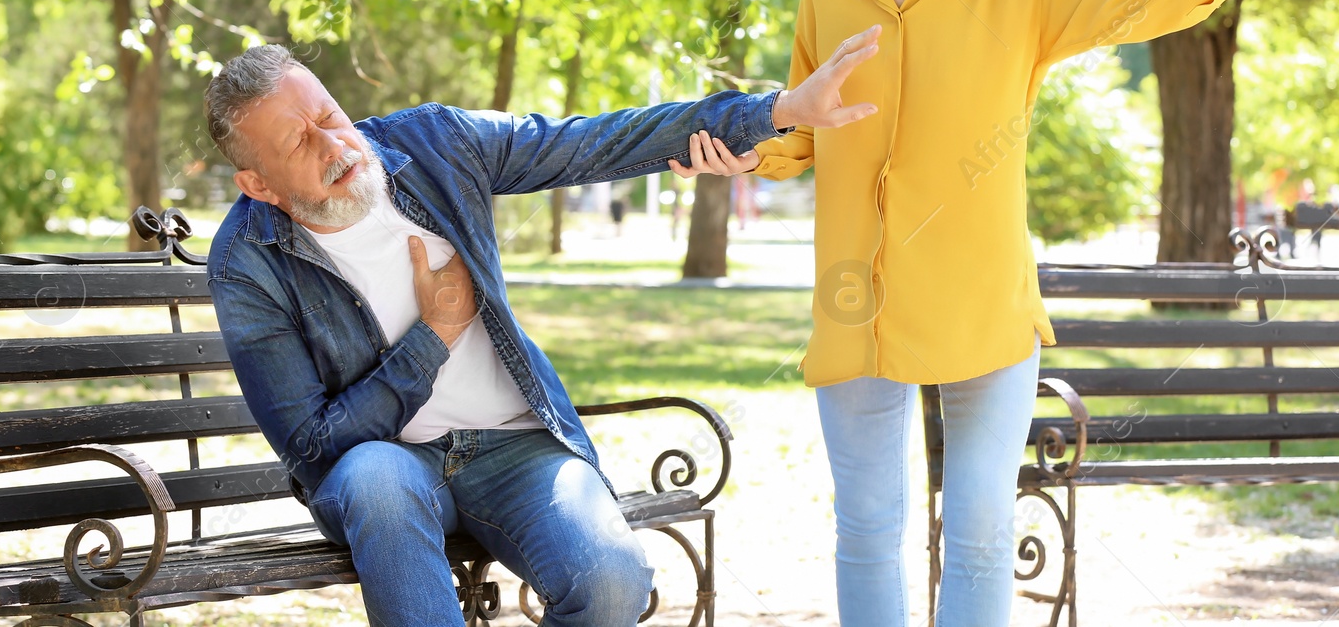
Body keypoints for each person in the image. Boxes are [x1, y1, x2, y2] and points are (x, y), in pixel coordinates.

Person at [686, 0, 1339, 626]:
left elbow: (1146, 3)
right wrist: (752, 157)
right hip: (858, 302)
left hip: (986, 308)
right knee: (866, 527)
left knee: (978, 533)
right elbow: (809, 125)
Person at [200, 38, 878, 627]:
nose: (335, 145)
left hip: (516, 447)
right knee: (375, 478)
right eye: (299, 142)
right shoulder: (246, 262)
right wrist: (433, 337)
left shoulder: (436, 142)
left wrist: (778, 110)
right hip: (388, 466)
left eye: (329, 116)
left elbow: (594, 142)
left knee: (612, 580)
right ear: (258, 183)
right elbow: (312, 444)